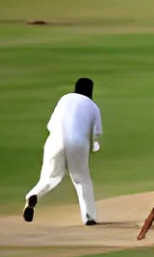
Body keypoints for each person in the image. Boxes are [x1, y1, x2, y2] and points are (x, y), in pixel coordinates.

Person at [23, 77, 103, 225]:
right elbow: (95, 134)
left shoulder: (64, 99)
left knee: (49, 177)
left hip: (54, 140)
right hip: (78, 143)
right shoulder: (93, 107)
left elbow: (51, 125)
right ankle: (89, 216)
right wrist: (93, 147)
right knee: (81, 179)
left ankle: (33, 195)